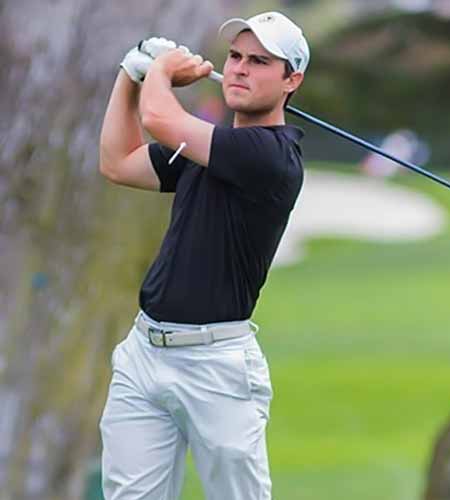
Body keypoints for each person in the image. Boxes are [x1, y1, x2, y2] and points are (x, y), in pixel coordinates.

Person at [98, 11, 309, 500]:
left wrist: (160, 70)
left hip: (217, 367)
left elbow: (159, 119)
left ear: (291, 81)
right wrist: (129, 75)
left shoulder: (271, 155)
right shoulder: (208, 147)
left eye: (260, 62)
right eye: (235, 56)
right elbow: (118, 163)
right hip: (144, 353)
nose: (239, 68)